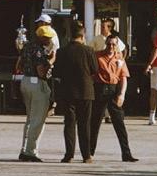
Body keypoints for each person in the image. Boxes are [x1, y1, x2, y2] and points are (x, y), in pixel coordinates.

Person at [53, 27, 97, 163]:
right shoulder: (88, 51)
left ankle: (69, 154)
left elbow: (57, 72)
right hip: (85, 91)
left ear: (69, 36)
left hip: (68, 91)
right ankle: (86, 155)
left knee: (69, 123)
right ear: (83, 36)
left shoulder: (62, 52)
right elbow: (95, 69)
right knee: (85, 124)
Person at [90, 36, 136, 162]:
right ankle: (89, 152)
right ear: (105, 44)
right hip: (100, 89)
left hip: (113, 89)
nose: (111, 47)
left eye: (113, 45)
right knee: (95, 122)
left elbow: (123, 77)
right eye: (109, 44)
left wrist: (122, 94)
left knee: (119, 123)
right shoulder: (97, 56)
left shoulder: (119, 57)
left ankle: (126, 153)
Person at [16, 24, 57, 162]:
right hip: (37, 84)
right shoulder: (39, 51)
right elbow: (41, 71)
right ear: (41, 37)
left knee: (29, 119)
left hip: (25, 81)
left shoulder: (26, 47)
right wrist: (51, 61)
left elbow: (18, 65)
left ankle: (24, 149)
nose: (49, 40)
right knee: (37, 120)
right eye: (47, 37)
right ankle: (31, 151)